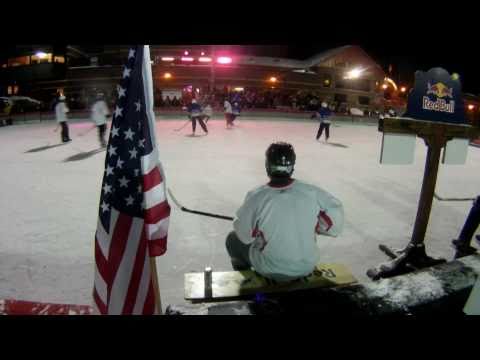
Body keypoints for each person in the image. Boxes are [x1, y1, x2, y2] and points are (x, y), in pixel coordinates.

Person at [225, 142, 344, 281]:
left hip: (271, 269)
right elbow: (335, 226)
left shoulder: (256, 196)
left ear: (267, 166)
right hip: (306, 266)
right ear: (292, 166)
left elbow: (244, 236)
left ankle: (247, 280)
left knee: (232, 240)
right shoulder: (313, 192)